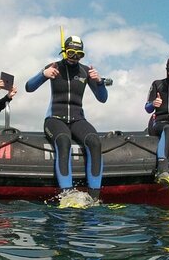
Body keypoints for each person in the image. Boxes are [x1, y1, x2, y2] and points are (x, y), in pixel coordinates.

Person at [25, 35, 108, 200]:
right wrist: (44, 74)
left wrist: (99, 82)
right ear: (64, 52)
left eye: (79, 55)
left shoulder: (85, 71)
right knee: (64, 140)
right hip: (54, 118)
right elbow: (29, 87)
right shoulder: (54, 67)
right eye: (71, 53)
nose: (74, 58)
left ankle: (94, 198)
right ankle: (67, 194)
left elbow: (102, 98)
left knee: (94, 141)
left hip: (77, 119)